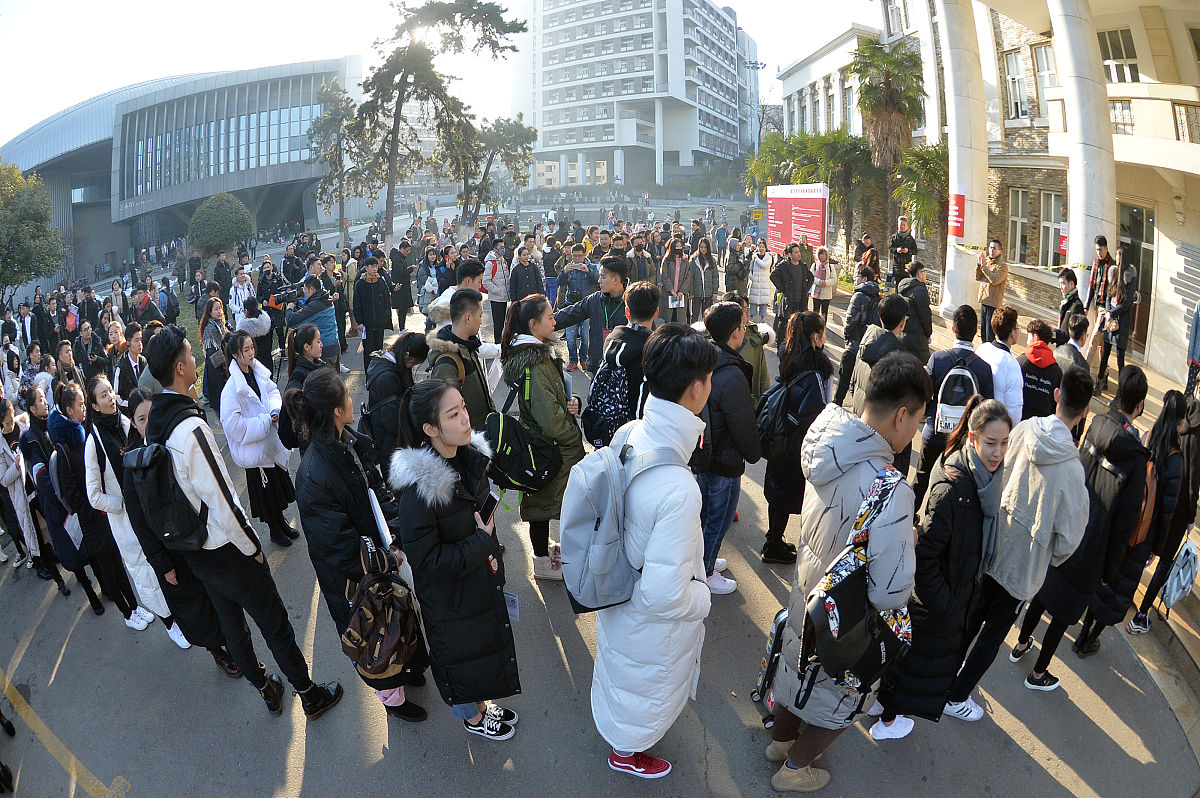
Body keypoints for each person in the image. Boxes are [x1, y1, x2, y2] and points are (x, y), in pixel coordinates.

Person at [144, 324, 343, 718]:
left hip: (197, 551)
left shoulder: (156, 424)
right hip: (228, 549)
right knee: (274, 623)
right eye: (190, 355)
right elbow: (223, 500)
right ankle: (308, 694)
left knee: (232, 625)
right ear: (180, 368)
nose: (196, 360)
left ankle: (266, 688)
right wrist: (253, 547)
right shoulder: (190, 428)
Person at [766, 352, 927, 792]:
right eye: (917, 421)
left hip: (806, 590)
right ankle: (794, 770)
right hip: (844, 618)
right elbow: (890, 592)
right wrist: (907, 544)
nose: (916, 431)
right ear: (900, 416)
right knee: (839, 698)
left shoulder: (829, 444)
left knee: (796, 668)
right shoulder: (890, 490)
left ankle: (780, 743)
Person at [590, 322, 715, 779]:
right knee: (641, 689)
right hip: (649, 619)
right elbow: (666, 595)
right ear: (697, 389)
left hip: (619, 594)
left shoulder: (630, 432)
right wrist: (702, 596)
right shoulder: (679, 487)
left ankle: (621, 737)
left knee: (621, 673)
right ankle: (626, 752)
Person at [945, 365, 1091, 717]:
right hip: (1025, 566)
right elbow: (1069, 539)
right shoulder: (1073, 471)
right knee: (993, 635)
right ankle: (957, 697)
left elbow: (996, 470)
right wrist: (1046, 555)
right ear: (1086, 411)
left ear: (1056, 394)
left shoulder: (1024, 429)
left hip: (995, 540)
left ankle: (942, 677)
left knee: (971, 617)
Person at [287, 366, 430, 723]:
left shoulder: (345, 443)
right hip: (357, 582)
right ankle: (392, 699)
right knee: (377, 635)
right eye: (348, 395)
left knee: (399, 621)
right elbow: (339, 547)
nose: (354, 400)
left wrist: (394, 530)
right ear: (337, 410)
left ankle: (407, 670)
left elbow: (373, 493)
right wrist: (385, 558)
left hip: (379, 561)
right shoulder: (314, 475)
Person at [871, 398, 1012, 741]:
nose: (997, 452)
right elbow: (925, 555)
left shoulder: (983, 481)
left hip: (953, 597)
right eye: (991, 443)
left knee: (912, 662)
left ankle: (881, 705)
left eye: (1005, 443)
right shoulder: (955, 489)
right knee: (913, 664)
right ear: (973, 438)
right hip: (938, 603)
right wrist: (944, 603)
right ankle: (888, 721)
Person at [387, 379, 521, 740]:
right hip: (450, 598)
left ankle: (480, 705)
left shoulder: (467, 456)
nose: (465, 418)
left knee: (477, 652)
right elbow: (426, 560)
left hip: (475, 582)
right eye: (453, 414)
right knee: (460, 657)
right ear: (430, 429)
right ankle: (471, 717)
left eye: (463, 407)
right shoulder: (419, 490)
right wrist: (481, 542)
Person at [1013, 365, 1148, 692]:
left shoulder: (1097, 424)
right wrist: (1111, 569)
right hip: (1096, 547)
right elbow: (1125, 521)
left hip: (1069, 524)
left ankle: (1020, 643)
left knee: (1045, 592)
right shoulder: (1136, 457)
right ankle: (1039, 674)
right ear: (1141, 404)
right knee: (1063, 612)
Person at [121, 387, 240, 676]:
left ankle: (237, 645)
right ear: (134, 424)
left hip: (199, 538)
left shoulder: (172, 443)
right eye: (141, 419)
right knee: (196, 607)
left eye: (151, 415)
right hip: (171, 552)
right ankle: (218, 650)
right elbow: (139, 523)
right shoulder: (133, 465)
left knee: (218, 595)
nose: (148, 423)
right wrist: (162, 563)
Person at [82, 376, 186, 646]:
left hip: (147, 509)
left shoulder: (126, 423)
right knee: (145, 573)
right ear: (94, 406)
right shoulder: (93, 443)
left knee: (163, 564)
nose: (110, 398)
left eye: (110, 391)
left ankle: (179, 613)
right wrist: (121, 504)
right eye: (103, 395)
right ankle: (169, 623)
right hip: (125, 521)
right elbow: (93, 495)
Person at [1081, 388, 1184, 651]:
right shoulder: (1175, 460)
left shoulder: (1147, 437)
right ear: (1181, 421)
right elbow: (1168, 511)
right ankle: (1091, 638)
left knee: (1106, 577)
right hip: (1145, 535)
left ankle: (1083, 632)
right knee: (1120, 589)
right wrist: (1157, 548)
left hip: (1125, 520)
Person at [50, 381, 150, 629]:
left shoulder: (85, 433)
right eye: (80, 404)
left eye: (84, 403)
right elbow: (73, 495)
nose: (84, 408)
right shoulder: (64, 449)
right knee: (108, 570)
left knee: (119, 564)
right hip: (93, 521)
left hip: (106, 515)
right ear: (69, 410)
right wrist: (99, 507)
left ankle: (135, 607)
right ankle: (127, 614)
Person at [500, 295, 585, 580]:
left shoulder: (539, 354)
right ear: (533, 325)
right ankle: (542, 563)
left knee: (543, 502)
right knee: (542, 504)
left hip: (543, 445)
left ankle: (543, 554)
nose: (554, 321)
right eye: (549, 317)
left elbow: (556, 394)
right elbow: (549, 418)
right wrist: (573, 435)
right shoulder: (536, 363)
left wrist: (572, 402)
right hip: (548, 447)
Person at [693, 301, 761, 594]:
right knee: (717, 520)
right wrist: (755, 452)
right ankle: (705, 572)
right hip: (725, 459)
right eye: (743, 326)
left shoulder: (706, 358)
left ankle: (701, 563)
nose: (744, 331)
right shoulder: (731, 373)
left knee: (704, 516)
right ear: (735, 332)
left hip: (705, 453)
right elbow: (742, 422)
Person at [761, 311, 832, 565]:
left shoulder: (788, 355)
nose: (825, 336)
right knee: (794, 496)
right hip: (798, 444)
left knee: (778, 493)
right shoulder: (815, 372)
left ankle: (773, 540)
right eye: (823, 332)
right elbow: (815, 416)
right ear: (815, 338)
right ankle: (775, 547)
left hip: (780, 434)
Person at [912, 306, 995, 515]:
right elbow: (987, 409)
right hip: (963, 442)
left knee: (921, 480)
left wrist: (928, 417)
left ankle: (908, 519)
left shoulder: (938, 359)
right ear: (976, 331)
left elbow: (924, 393)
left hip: (935, 433)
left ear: (953, 328)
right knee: (956, 490)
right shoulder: (984, 368)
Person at [1131, 382, 1200, 633]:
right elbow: (1193, 479)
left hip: (1155, 493)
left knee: (1143, 546)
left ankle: (1127, 595)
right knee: (1165, 562)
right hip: (1178, 505)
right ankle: (1141, 615)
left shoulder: (1178, 407)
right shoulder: (1196, 430)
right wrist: (1191, 515)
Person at [220, 331, 299, 548]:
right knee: (267, 495)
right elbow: (234, 427)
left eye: (252, 347)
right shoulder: (231, 389)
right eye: (246, 349)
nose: (251, 353)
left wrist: (274, 410)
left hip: (270, 445)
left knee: (278, 490)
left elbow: (272, 392)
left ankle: (281, 523)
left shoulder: (258, 372)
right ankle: (275, 529)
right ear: (235, 354)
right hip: (255, 452)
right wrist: (264, 422)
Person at [427, 289, 496, 431]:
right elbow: (446, 415)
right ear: (468, 318)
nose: (481, 321)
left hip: (480, 434)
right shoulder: (447, 363)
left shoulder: (468, 347)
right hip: (468, 437)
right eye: (480, 315)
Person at [553, 257, 628, 375]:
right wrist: (543, 323)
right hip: (598, 366)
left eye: (603, 277)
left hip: (624, 369)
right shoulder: (594, 300)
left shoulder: (632, 302)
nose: (599, 281)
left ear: (616, 279)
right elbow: (569, 315)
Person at [365, 331, 429, 468]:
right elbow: (392, 421)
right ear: (407, 354)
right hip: (391, 447)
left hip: (393, 442)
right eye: (413, 363)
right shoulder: (386, 378)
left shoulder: (390, 361)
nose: (412, 366)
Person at [850, 293, 908, 416]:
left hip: (859, 414)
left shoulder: (867, 340)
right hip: (880, 423)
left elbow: (853, 383)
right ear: (902, 322)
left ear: (880, 317)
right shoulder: (899, 357)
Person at [833, 266, 882, 408]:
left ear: (864, 279)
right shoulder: (877, 297)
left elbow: (850, 321)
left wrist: (848, 338)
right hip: (870, 346)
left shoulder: (859, 295)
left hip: (855, 344)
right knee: (861, 383)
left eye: (857, 277)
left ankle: (836, 407)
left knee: (844, 379)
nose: (855, 279)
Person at [278, 324, 325, 452]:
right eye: (318, 341)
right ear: (306, 347)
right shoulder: (298, 378)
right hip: (313, 446)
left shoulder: (315, 366)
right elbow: (300, 418)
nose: (321, 345)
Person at [977, 305, 1024, 424]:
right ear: (1012, 333)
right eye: (1018, 328)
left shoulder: (982, 349)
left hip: (977, 418)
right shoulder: (1011, 363)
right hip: (996, 424)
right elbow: (1014, 410)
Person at [285, 275, 341, 371]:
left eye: (305, 290)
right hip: (334, 346)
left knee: (324, 380)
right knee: (334, 379)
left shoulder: (316, 305)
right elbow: (309, 312)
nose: (304, 293)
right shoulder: (325, 298)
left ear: (312, 290)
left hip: (324, 351)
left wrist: (289, 308)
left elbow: (292, 321)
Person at [559, 244, 601, 365]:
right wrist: (564, 272)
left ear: (584, 255)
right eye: (574, 256)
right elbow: (560, 282)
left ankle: (583, 358)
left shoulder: (591, 266)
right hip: (571, 305)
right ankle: (572, 360)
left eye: (579, 256)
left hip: (587, 306)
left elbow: (597, 281)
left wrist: (588, 271)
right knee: (570, 337)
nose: (577, 259)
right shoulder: (569, 267)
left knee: (585, 337)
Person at [1095, 260, 1133, 396]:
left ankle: (1120, 392)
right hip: (1110, 323)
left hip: (1121, 324)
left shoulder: (1129, 278)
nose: (1117, 259)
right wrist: (1108, 313)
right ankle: (1098, 383)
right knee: (1105, 355)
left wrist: (1112, 313)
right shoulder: (1113, 274)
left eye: (1119, 256)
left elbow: (1126, 304)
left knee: (1120, 359)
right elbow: (1107, 297)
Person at [353, 256, 395, 373]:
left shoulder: (381, 282)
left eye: (376, 266)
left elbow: (387, 301)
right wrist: (360, 322)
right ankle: (369, 374)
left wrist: (385, 317)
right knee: (368, 352)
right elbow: (357, 305)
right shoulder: (360, 284)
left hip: (379, 323)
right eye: (372, 266)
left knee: (379, 351)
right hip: (367, 325)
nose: (375, 269)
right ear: (366, 268)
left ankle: (378, 373)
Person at [1018, 319, 1063, 420]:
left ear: (1035, 337)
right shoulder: (1057, 372)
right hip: (1043, 423)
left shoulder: (1020, 362)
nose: (1026, 341)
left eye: (1028, 336)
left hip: (1020, 419)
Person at [771, 242, 812, 339]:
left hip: (800, 301)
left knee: (799, 324)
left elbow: (811, 277)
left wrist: (806, 289)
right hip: (788, 300)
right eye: (795, 252)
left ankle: (796, 343)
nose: (798, 254)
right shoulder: (784, 265)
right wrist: (783, 288)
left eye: (799, 252)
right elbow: (773, 276)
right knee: (784, 323)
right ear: (790, 254)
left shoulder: (803, 266)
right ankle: (781, 342)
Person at [199, 297, 231, 412]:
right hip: (216, 368)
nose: (219, 312)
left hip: (224, 365)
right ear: (210, 312)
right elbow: (213, 353)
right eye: (216, 309)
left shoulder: (220, 323)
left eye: (220, 308)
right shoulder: (209, 329)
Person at [898, 261, 933, 365]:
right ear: (919, 274)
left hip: (903, 333)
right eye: (924, 271)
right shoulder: (920, 290)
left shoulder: (903, 287)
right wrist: (928, 333)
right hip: (917, 338)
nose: (925, 274)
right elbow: (925, 316)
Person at [976, 239, 1008, 344]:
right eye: (990, 248)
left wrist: (984, 267)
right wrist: (979, 265)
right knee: (983, 332)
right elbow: (978, 277)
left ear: (1000, 251)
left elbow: (995, 280)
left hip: (993, 303)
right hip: (984, 300)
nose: (991, 250)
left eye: (994, 248)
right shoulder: (987, 263)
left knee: (990, 334)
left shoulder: (1002, 266)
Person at [658, 237, 691, 325]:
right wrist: (671, 290)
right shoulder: (667, 260)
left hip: (681, 294)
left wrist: (682, 291)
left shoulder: (685, 260)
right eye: (677, 246)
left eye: (680, 246)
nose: (679, 248)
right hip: (669, 293)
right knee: (669, 318)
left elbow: (688, 277)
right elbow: (664, 275)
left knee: (680, 319)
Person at [689, 237, 719, 324]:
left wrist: (715, 292)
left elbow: (715, 277)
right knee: (694, 315)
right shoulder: (694, 260)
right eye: (701, 247)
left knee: (707, 315)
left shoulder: (712, 260)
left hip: (708, 292)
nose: (703, 249)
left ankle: (706, 330)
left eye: (705, 247)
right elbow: (690, 277)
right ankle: (692, 330)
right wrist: (691, 292)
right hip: (696, 293)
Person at [1055, 269, 1085, 345]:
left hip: (1067, 350)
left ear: (1071, 284)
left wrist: (1054, 332)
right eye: (1059, 284)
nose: (1060, 287)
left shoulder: (1077, 306)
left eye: (1063, 283)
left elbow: (1073, 336)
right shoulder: (1065, 303)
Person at [889, 216, 918, 289]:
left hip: (906, 266)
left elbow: (915, 251)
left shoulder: (910, 239)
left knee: (906, 286)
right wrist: (897, 250)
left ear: (907, 226)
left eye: (904, 225)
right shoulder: (894, 237)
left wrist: (908, 251)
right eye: (900, 225)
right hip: (897, 266)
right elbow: (890, 248)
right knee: (898, 286)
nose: (902, 227)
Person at [808, 247, 834, 321]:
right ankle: (814, 326)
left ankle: (823, 326)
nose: (822, 256)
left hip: (826, 293)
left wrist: (826, 283)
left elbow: (834, 279)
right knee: (815, 312)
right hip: (816, 293)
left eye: (824, 254)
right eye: (821, 254)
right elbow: (811, 277)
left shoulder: (830, 266)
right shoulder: (814, 265)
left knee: (824, 313)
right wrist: (819, 282)